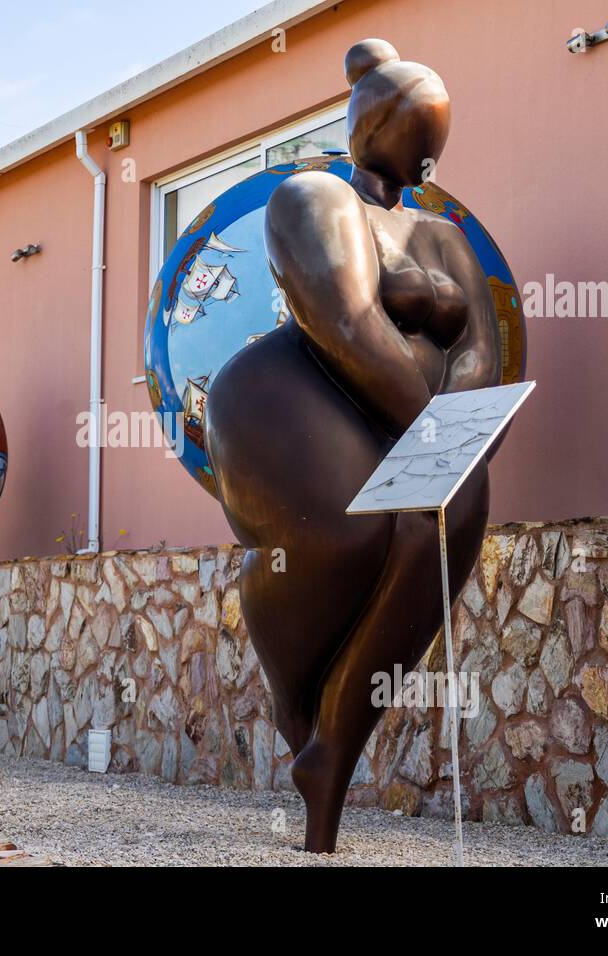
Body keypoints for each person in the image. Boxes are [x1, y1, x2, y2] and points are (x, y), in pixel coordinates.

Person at [205, 40, 502, 853]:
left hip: (404, 420)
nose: (420, 143)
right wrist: (431, 424)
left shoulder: (443, 236)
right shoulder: (312, 198)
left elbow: (482, 349)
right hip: (289, 397)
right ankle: (296, 701)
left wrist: (453, 434)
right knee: (344, 535)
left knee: (451, 515)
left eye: (430, 129)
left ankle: (330, 746)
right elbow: (341, 317)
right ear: (366, 126)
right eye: (405, 121)